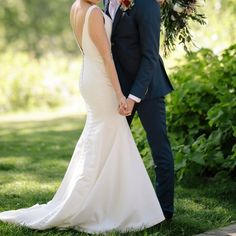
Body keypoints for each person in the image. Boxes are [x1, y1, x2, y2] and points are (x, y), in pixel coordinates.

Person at [0, 0, 165, 234]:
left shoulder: (76, 7)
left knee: (101, 138)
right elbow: (107, 57)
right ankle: (108, 204)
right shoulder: (95, 13)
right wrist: (120, 94)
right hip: (102, 81)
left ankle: (107, 198)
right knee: (110, 137)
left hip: (88, 74)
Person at [104, 0, 175, 219]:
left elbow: (150, 55)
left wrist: (133, 97)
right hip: (120, 89)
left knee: (159, 149)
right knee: (111, 146)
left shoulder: (147, 5)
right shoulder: (106, 1)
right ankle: (112, 203)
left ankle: (164, 210)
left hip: (148, 89)